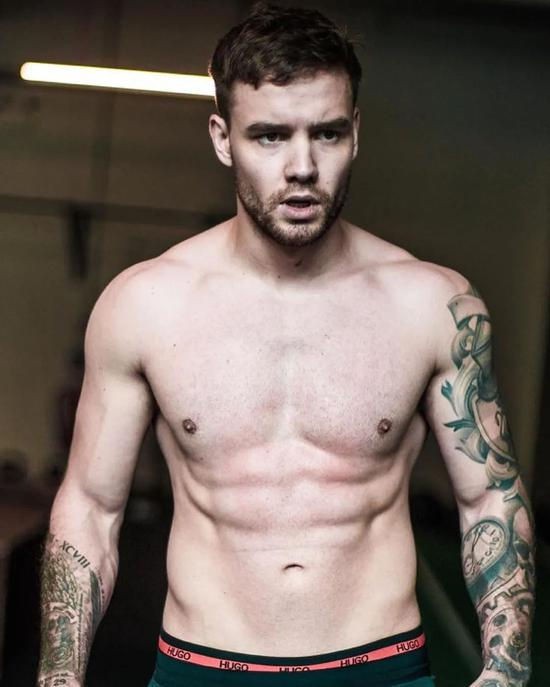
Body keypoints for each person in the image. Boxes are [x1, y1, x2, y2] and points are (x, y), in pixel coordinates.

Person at [37, 4, 535, 687]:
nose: (302, 167)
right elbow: (92, 508)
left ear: (355, 132)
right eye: (269, 136)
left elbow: (491, 498)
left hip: (380, 669)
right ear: (223, 138)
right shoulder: (145, 304)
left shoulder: (433, 304)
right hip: (202, 670)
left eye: (326, 133)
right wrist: (59, 678)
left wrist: (506, 671)